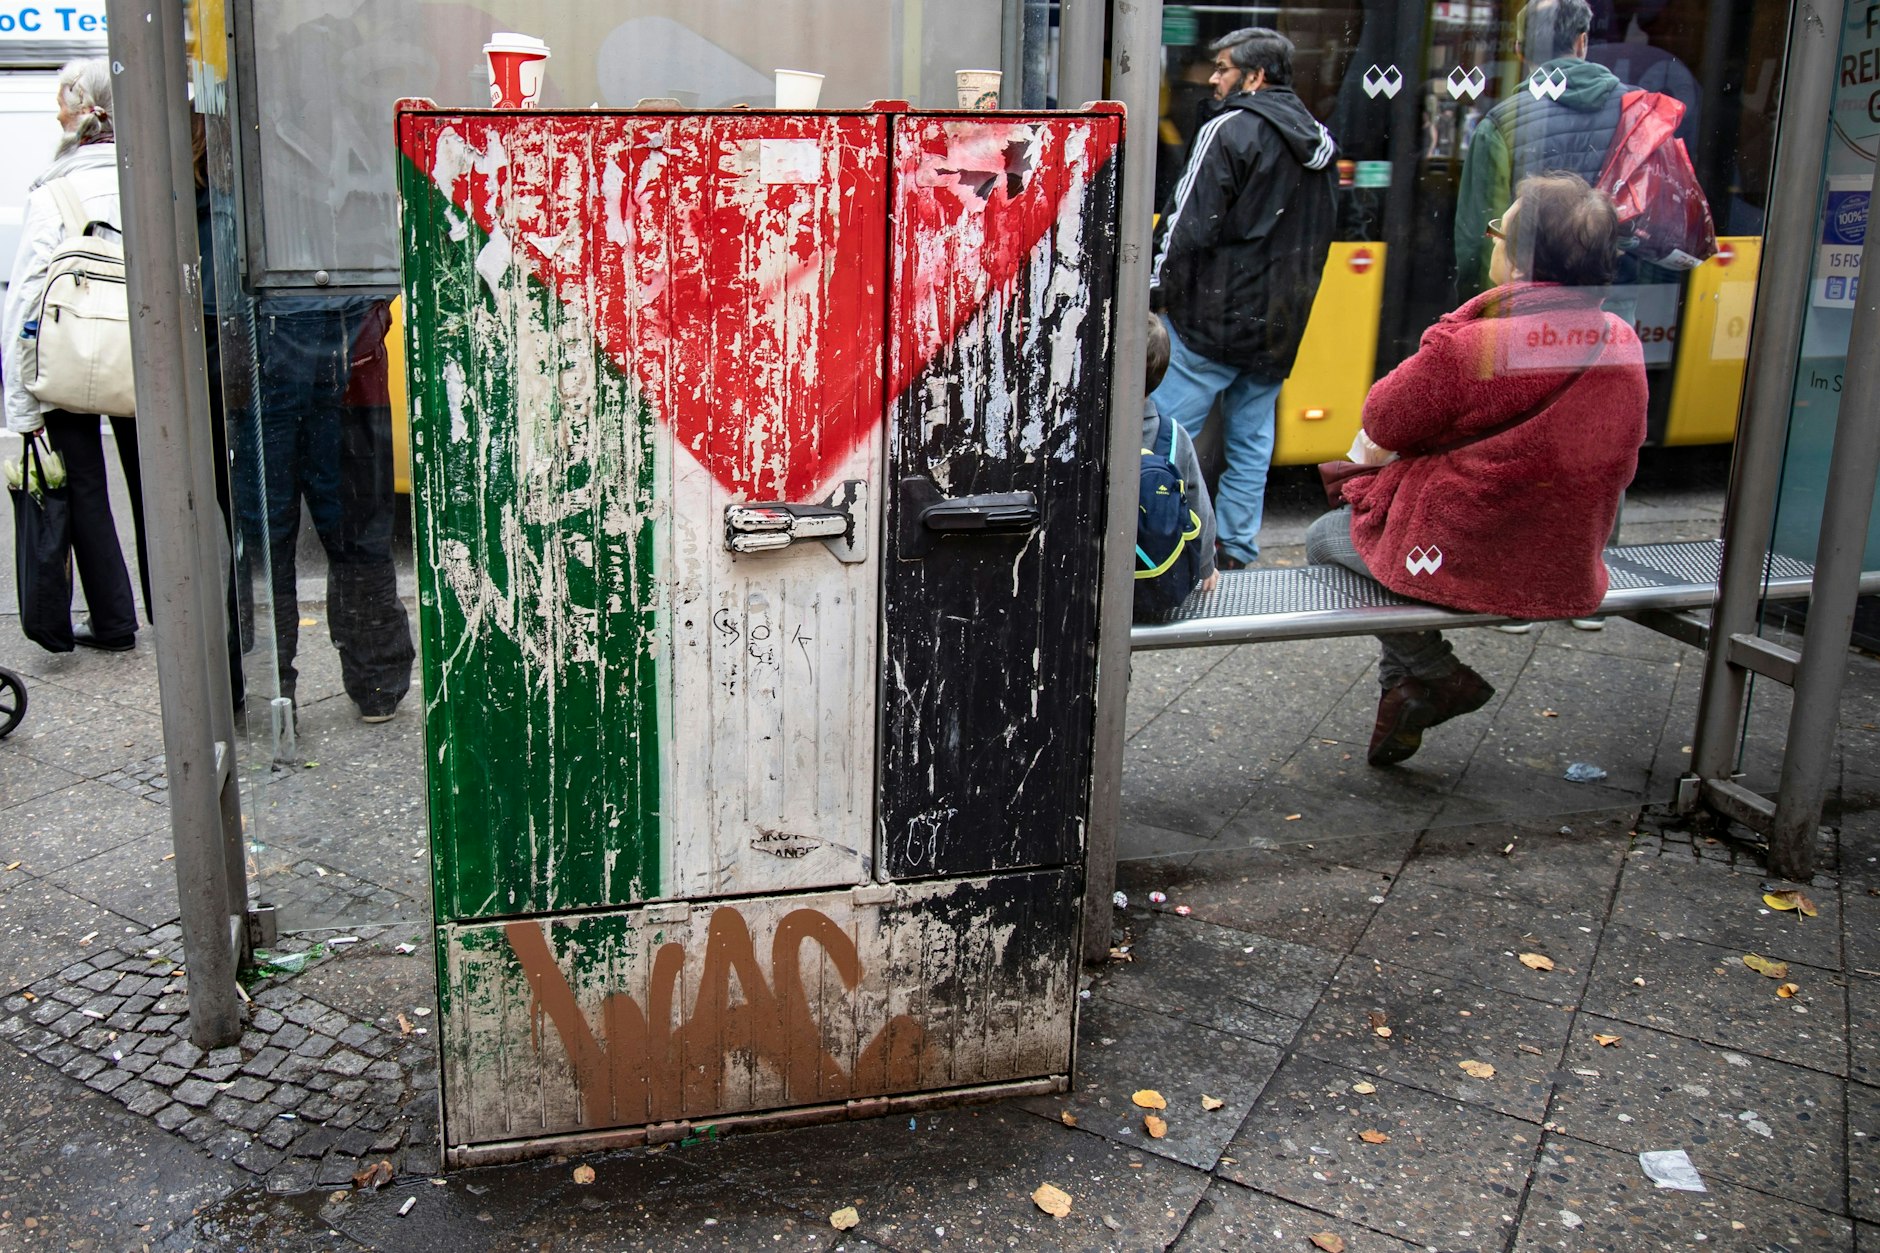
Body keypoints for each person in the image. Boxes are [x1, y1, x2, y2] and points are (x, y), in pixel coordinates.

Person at [1306, 173, 1648, 767]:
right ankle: (1404, 691)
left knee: (1325, 538)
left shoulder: (1477, 345)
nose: (1492, 240)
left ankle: (1437, 675)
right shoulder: (1620, 338)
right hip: (1563, 556)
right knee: (1386, 542)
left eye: (1500, 231)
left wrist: (1450, 332)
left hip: (1475, 553)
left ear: (1519, 263)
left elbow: (1382, 420)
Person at [1148, 27, 1337, 571]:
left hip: (1212, 317)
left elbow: (1187, 223)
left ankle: (1161, 541)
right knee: (1252, 441)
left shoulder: (1230, 129)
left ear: (1254, 77)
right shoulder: (1319, 141)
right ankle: (1234, 547)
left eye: (1224, 68)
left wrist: (1157, 293)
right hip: (1279, 322)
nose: (1213, 78)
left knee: (1164, 435)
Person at [2, 58, 147, 651]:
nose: (55, 110)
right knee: (158, 485)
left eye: (63, 98)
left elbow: (26, 302)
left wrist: (21, 403)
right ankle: (180, 611)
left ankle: (114, 621)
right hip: (145, 357)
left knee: (83, 486)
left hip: (66, 359)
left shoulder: (53, 190)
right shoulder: (150, 174)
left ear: (83, 110)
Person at [1453, 0, 1628, 296]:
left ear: (1519, 49)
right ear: (1582, 42)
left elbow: (1479, 240)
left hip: (1524, 312)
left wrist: (1475, 315)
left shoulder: (1500, 125)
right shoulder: (1635, 112)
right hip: (1608, 307)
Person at [1137, 314, 1218, 620]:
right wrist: (1205, 565)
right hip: (1157, 583)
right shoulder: (1173, 436)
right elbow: (1199, 507)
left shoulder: (1095, 433)